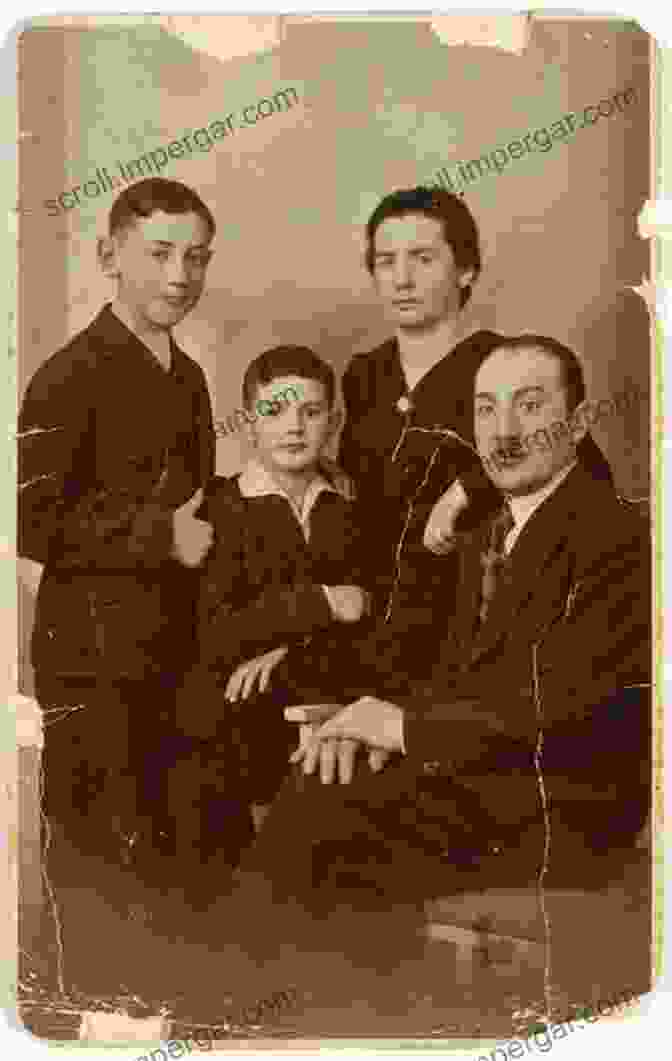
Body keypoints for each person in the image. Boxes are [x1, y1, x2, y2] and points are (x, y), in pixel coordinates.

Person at [215, 334, 649, 999]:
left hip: (561, 801)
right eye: (485, 409)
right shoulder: (489, 530)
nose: (503, 431)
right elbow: (432, 663)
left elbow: (554, 696)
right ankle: (279, 1008)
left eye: (530, 406)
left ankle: (218, 1009)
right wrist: (356, 712)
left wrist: (403, 727)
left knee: (325, 807)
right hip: (484, 775)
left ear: (580, 421)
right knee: (326, 777)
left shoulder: (614, 534)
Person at [18, 177, 217, 865]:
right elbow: (33, 521)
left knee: (168, 855)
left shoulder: (189, 378)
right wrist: (161, 536)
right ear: (109, 256)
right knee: (96, 857)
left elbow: (198, 510)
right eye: (159, 253)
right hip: (91, 657)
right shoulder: (64, 376)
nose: (179, 275)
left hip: (174, 650)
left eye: (196, 257)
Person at [339, 187, 612, 640]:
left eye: (423, 258)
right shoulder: (366, 374)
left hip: (472, 623)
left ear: (466, 270)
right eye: (386, 261)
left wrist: (466, 489)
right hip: (373, 616)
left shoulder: (504, 366)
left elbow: (580, 472)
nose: (401, 279)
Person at [174, 345, 369, 860]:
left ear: (334, 419)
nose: (294, 427)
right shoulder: (222, 507)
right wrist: (319, 602)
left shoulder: (349, 507)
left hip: (327, 706)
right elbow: (216, 632)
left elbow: (372, 616)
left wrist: (289, 649)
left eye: (310, 411)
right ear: (248, 424)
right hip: (235, 731)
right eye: (274, 411)